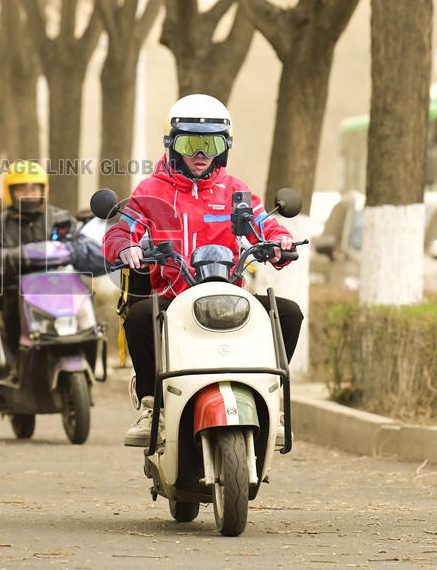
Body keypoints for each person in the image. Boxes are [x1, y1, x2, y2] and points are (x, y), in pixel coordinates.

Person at [102, 94, 304, 448]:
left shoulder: (236, 192)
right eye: (190, 143)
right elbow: (120, 230)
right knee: (139, 317)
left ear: (224, 147)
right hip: (174, 298)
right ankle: (151, 407)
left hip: (229, 297)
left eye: (211, 144)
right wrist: (126, 246)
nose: (200, 153)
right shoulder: (150, 191)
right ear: (172, 145)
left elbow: (264, 225)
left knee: (288, 313)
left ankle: (274, 403)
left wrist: (280, 241)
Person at [0, 161, 105, 372]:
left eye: (34, 189)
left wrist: (75, 250)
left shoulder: (61, 220)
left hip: (59, 291)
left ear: (44, 190)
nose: (29, 194)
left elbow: (93, 252)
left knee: (87, 294)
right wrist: (14, 258)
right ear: (10, 192)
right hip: (16, 295)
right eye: (22, 189)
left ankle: (89, 355)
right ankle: (16, 367)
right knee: (2, 313)